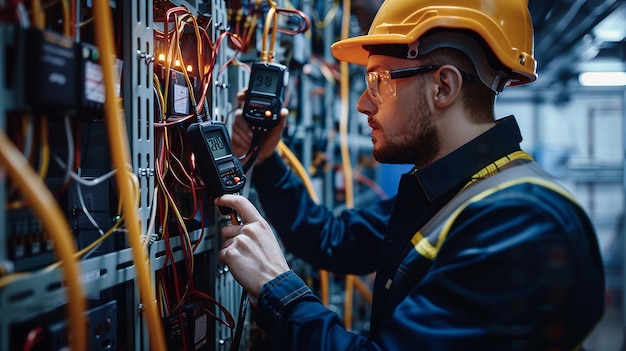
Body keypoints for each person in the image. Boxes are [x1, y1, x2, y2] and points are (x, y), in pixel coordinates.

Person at [216, 0, 606, 350]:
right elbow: (332, 239)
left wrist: (279, 291)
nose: (362, 104)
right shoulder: (454, 191)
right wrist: (266, 160)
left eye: (379, 82)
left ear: (443, 85)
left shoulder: (521, 223)